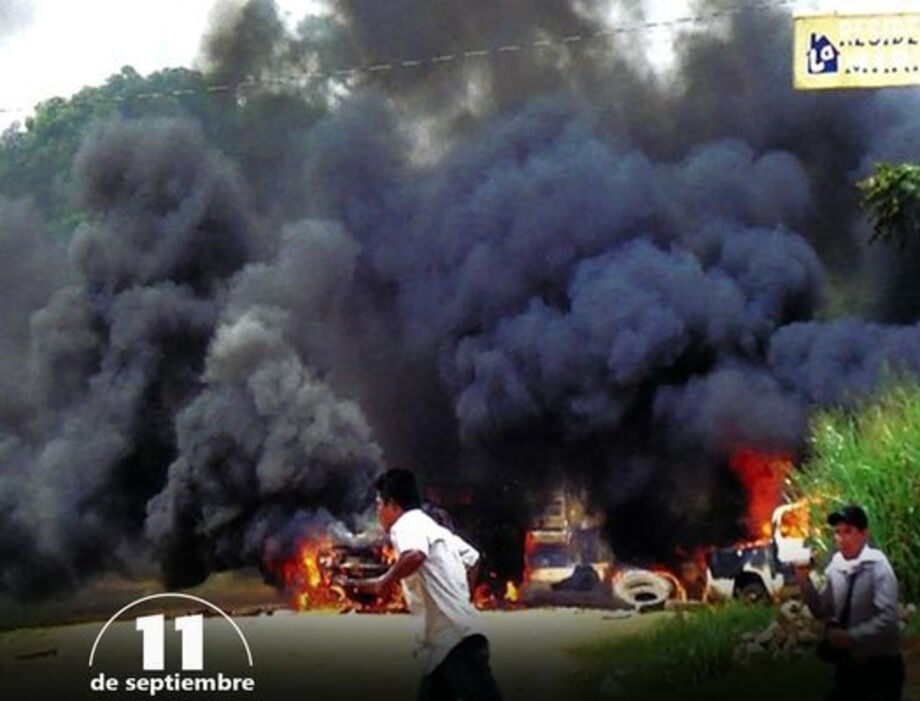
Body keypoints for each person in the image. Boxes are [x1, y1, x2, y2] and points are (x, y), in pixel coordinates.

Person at [342, 468, 503, 701]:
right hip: (446, 646)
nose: (378, 512)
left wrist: (381, 582)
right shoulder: (434, 529)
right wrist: (461, 599)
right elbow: (473, 558)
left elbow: (415, 554)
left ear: (393, 505)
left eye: (379, 504)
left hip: (456, 644)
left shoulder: (406, 524)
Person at [796, 504, 905, 701]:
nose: (841, 539)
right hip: (849, 667)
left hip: (881, 666)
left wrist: (850, 637)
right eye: (837, 533)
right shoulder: (835, 568)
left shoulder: (878, 567)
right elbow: (822, 611)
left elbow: (888, 620)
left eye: (848, 531)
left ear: (864, 534)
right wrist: (804, 582)